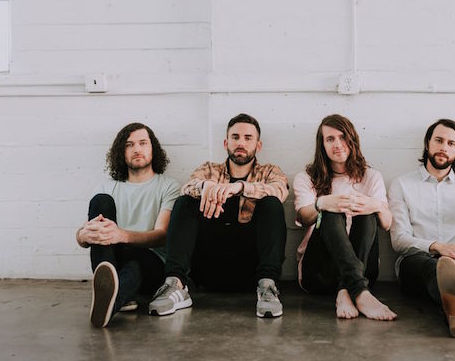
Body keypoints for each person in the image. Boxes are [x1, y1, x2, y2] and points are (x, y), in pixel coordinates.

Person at [149, 113, 288, 318]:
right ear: (226, 143)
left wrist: (240, 187)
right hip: (207, 267)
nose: (240, 143)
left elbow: (279, 190)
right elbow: (188, 186)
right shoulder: (209, 169)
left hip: (251, 269)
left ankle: (268, 287)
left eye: (248, 138)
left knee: (272, 203)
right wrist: (206, 186)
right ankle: (175, 285)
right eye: (235, 137)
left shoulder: (269, 172)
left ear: (258, 146)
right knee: (185, 201)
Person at [389, 118, 455, 338]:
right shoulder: (402, 185)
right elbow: (399, 240)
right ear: (427, 143)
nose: (443, 147)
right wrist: (439, 248)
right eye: (438, 140)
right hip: (416, 263)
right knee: (432, 268)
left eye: (450, 143)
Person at [76, 123, 181, 328]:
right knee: (101, 200)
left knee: (135, 263)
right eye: (129, 145)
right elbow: (87, 233)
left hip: (150, 263)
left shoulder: (168, 186)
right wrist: (82, 236)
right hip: (112, 258)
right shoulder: (107, 186)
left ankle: (111, 299)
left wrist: (121, 235)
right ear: (121, 152)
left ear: (153, 148)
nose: (136, 149)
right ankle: (114, 291)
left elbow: (161, 235)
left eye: (143, 143)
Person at [293, 114, 397, 321]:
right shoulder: (306, 177)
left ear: (352, 140)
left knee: (367, 213)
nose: (338, 144)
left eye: (343, 137)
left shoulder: (371, 176)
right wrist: (323, 203)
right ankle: (359, 292)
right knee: (331, 209)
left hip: (363, 268)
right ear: (322, 145)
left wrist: (375, 205)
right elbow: (304, 217)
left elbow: (386, 224)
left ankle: (345, 291)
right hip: (320, 272)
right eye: (330, 139)